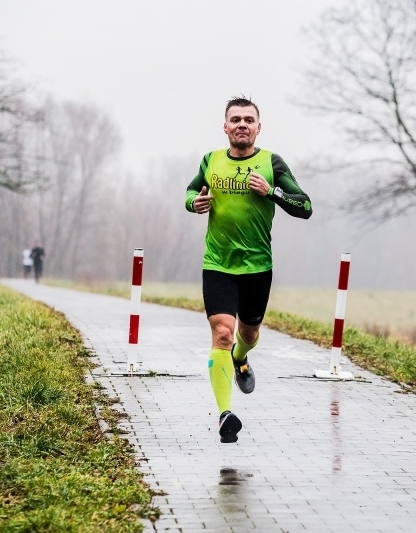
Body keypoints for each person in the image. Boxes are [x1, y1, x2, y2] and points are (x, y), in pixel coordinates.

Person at [185, 96, 313, 443]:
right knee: (222, 333)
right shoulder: (211, 160)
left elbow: (305, 206)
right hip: (218, 264)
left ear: (258, 127)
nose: (242, 124)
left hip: (257, 266)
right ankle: (225, 415)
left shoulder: (272, 162)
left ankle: (241, 358)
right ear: (225, 127)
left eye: (248, 120)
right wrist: (194, 202)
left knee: (249, 334)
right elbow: (190, 191)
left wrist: (271, 192)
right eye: (235, 119)